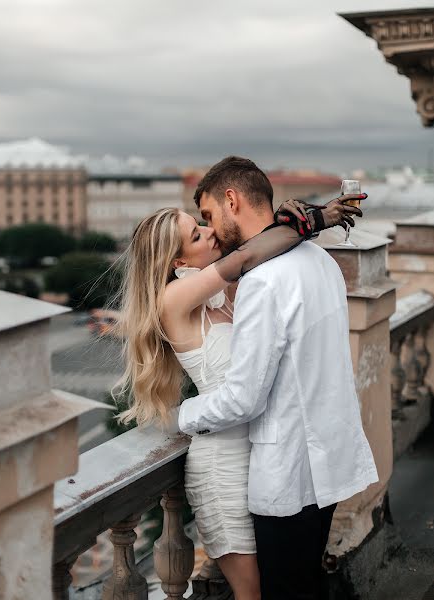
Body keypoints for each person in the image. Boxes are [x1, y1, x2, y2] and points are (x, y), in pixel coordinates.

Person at [115, 156, 369, 600]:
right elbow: (249, 253)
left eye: (206, 219)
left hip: (272, 462)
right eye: (198, 231)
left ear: (231, 199)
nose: (210, 230)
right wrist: (316, 218)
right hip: (231, 466)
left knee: (285, 588)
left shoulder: (242, 287)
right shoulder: (180, 298)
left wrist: (304, 221)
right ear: (175, 259)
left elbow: (253, 258)